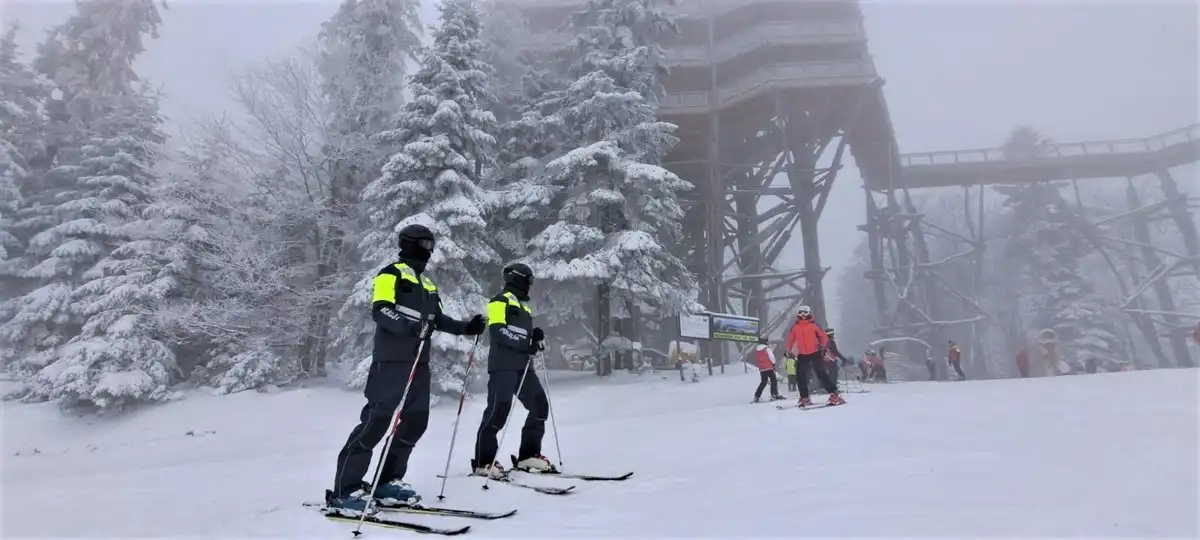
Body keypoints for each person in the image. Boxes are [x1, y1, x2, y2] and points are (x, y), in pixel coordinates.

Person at [329, 224, 486, 515]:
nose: (429, 250)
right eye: (424, 243)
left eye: (432, 244)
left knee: (416, 421)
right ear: (409, 244)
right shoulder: (390, 274)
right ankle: (345, 489)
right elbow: (382, 310)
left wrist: (467, 328)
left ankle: (387, 481)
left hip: (419, 363)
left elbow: (437, 320)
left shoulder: (427, 284)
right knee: (377, 420)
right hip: (391, 361)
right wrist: (412, 327)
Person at [471, 263, 555, 479]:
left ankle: (528, 455)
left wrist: (534, 337)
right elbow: (499, 332)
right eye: (528, 281)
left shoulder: (523, 306)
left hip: (524, 367)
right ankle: (484, 461)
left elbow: (520, 336)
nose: (530, 285)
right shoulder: (499, 301)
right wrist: (526, 343)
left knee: (539, 406)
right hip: (503, 366)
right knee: (498, 410)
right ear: (517, 279)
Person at [784, 305, 843, 407]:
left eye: (805, 312)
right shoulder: (795, 327)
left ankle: (834, 394)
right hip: (802, 354)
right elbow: (790, 339)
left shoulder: (814, 325)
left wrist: (823, 348)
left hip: (815, 352)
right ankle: (804, 397)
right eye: (801, 313)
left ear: (809, 313)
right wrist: (788, 350)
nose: (803, 315)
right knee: (800, 376)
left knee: (821, 374)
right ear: (798, 314)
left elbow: (823, 337)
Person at [752, 336, 784, 402]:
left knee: (763, 382)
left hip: (762, 368)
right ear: (765, 342)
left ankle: (757, 396)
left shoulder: (757, 350)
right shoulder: (767, 349)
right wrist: (774, 363)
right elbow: (771, 357)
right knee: (773, 380)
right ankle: (774, 394)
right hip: (769, 367)